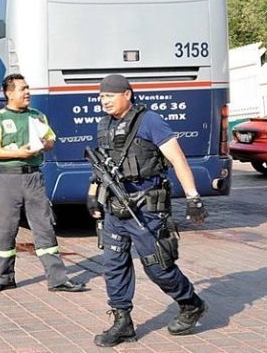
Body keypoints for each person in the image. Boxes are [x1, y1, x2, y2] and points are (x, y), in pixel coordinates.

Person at [87, 74, 209, 347]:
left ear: (127, 94)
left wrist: (193, 198)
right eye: (101, 96)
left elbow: (177, 158)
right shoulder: (104, 123)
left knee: (158, 267)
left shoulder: (149, 121)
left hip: (146, 209)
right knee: (113, 264)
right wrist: (93, 196)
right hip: (115, 208)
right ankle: (123, 322)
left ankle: (191, 303)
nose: (103, 101)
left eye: (109, 95)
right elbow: (101, 168)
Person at [0, 73, 87, 293]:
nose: (27, 92)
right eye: (22, 89)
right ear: (9, 93)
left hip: (33, 177)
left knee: (44, 227)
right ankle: (4, 278)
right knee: (6, 229)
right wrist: (18, 152)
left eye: (28, 88)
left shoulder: (37, 116)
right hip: (8, 178)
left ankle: (57, 280)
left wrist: (46, 143)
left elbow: (50, 138)